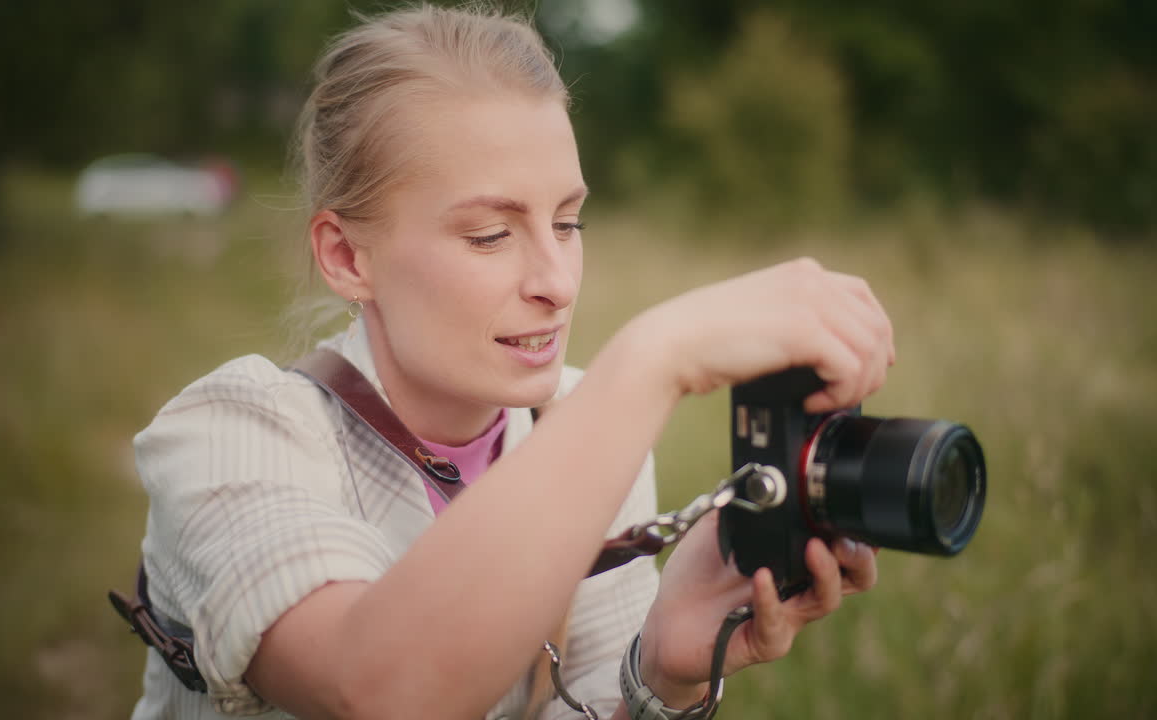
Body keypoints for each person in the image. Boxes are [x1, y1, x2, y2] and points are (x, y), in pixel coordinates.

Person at [127, 4, 892, 719]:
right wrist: (656, 356)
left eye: (568, 221)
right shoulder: (228, 435)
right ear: (346, 255)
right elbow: (380, 689)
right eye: (490, 235)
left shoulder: (583, 421)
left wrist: (656, 670)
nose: (557, 283)